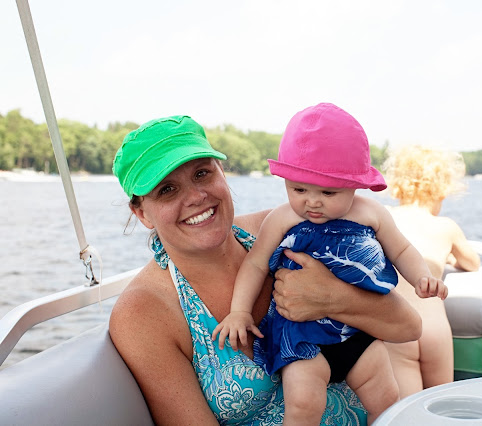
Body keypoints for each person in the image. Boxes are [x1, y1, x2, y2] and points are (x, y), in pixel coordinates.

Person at [109, 115, 423, 425]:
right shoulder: (143, 311)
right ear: (142, 213)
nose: (196, 196)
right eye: (167, 190)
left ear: (222, 173)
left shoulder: (285, 229)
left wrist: (333, 298)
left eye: (202, 173)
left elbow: (409, 328)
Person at [213, 103, 447, 425]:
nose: (312, 201)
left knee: (386, 399)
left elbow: (402, 250)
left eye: (328, 192)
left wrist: (422, 277)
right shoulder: (282, 218)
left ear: (355, 185)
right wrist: (239, 311)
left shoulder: (371, 213)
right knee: (303, 406)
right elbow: (255, 265)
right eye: (298, 189)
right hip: (302, 336)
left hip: (358, 332)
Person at [382, 145, 481, 397]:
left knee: (405, 409)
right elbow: (472, 263)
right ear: (442, 190)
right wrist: (448, 255)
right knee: (439, 404)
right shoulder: (446, 227)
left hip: (399, 326)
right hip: (436, 328)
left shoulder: (385, 218)